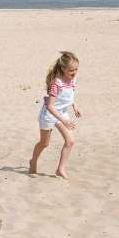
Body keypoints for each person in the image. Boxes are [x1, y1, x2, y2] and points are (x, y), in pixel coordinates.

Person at [29, 51, 81, 179]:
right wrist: (64, 120)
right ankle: (33, 161)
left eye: (76, 69)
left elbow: (70, 94)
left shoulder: (72, 79)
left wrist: (74, 106)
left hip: (62, 113)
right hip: (49, 114)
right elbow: (50, 106)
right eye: (71, 70)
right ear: (63, 69)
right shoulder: (56, 83)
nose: (74, 72)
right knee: (44, 143)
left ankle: (60, 168)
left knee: (70, 141)